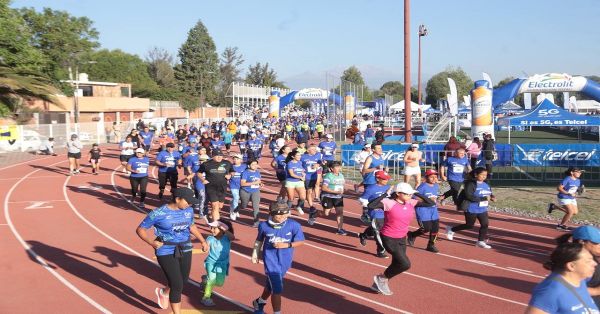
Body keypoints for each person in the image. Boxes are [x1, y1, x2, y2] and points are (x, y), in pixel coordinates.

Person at [136, 188, 209, 314]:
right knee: (177, 285)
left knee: (183, 280)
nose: (190, 204)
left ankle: (164, 292)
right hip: (165, 249)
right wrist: (151, 242)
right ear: (177, 199)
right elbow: (140, 229)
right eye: (188, 201)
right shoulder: (158, 213)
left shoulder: (189, 210)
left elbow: (191, 225)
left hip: (185, 246)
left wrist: (203, 240)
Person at [367, 182, 435, 296]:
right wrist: (385, 194)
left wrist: (418, 193)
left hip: (402, 237)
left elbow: (430, 203)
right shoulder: (389, 203)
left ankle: (377, 285)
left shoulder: (411, 202)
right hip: (389, 237)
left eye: (410, 194)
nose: (410, 196)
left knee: (397, 263)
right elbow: (371, 205)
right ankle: (382, 278)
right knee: (405, 264)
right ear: (398, 193)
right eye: (407, 194)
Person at [251, 201, 305, 314]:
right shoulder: (263, 226)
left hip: (285, 261)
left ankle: (259, 302)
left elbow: (301, 241)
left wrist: (287, 245)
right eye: (278, 214)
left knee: (270, 286)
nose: (281, 217)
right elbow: (259, 240)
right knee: (277, 289)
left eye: (284, 214)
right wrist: (255, 253)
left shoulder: (294, 225)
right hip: (271, 262)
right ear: (270, 213)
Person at [525, 242, 598, 314]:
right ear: (571, 266)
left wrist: (596, 291)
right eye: (588, 261)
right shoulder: (550, 291)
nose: (595, 263)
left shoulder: (579, 279)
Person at [446, 167, 495, 249]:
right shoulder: (470, 184)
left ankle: (480, 241)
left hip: (482, 209)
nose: (484, 176)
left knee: (485, 224)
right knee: (469, 225)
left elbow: (489, 193)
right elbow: (469, 196)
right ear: (476, 175)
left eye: (485, 175)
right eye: (482, 175)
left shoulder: (486, 183)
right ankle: (451, 229)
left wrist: (492, 197)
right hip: (472, 208)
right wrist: (483, 198)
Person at [556, 225, 600, 308]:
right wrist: (596, 291)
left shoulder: (592, 257)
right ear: (582, 242)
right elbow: (567, 289)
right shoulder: (576, 264)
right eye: (597, 243)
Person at [358, 170, 392, 258]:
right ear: (377, 179)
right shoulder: (371, 188)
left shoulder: (388, 187)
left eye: (387, 179)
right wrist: (365, 211)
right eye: (384, 179)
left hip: (386, 211)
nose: (386, 181)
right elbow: (362, 199)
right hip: (375, 211)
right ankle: (380, 251)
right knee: (378, 231)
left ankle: (363, 235)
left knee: (376, 228)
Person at [201, 220, 235, 307]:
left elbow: (233, 237)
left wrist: (225, 230)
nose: (211, 230)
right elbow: (206, 247)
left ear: (221, 229)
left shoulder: (227, 238)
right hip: (211, 262)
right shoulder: (210, 238)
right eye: (211, 228)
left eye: (214, 228)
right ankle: (206, 297)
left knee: (220, 283)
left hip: (223, 264)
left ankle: (205, 280)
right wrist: (205, 248)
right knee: (211, 279)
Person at [407, 169, 441, 253]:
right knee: (426, 229)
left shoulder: (436, 186)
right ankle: (412, 235)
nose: (434, 179)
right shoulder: (422, 186)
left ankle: (431, 245)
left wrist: (438, 199)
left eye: (435, 177)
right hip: (423, 210)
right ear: (426, 177)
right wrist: (427, 200)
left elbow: (435, 196)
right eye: (431, 177)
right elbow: (414, 198)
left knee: (435, 229)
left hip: (433, 210)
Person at [308, 161, 346, 235]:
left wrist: (341, 191)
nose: (339, 168)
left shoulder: (341, 175)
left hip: (338, 197)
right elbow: (324, 188)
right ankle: (315, 214)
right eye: (336, 167)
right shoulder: (328, 176)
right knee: (326, 213)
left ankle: (340, 229)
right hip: (328, 197)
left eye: (339, 167)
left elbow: (342, 185)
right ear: (331, 169)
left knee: (340, 212)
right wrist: (335, 192)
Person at [199, 150, 233, 222]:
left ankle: (212, 214)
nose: (219, 157)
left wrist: (230, 175)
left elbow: (232, 171)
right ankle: (216, 225)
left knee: (220, 206)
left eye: (221, 156)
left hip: (222, 187)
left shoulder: (227, 163)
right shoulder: (206, 164)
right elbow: (199, 173)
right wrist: (202, 180)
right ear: (212, 156)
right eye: (217, 156)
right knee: (215, 206)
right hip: (211, 187)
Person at [548, 167, 584, 231]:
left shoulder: (578, 180)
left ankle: (554, 206)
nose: (580, 173)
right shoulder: (567, 179)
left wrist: (579, 190)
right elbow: (559, 188)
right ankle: (561, 226)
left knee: (575, 212)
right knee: (570, 212)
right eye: (578, 172)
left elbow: (574, 189)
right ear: (572, 172)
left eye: (580, 172)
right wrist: (568, 193)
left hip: (571, 198)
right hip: (563, 197)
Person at [360, 144, 386, 223]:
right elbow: (364, 170)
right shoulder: (370, 158)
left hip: (378, 180)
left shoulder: (381, 157)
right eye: (378, 148)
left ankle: (376, 216)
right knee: (368, 200)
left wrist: (385, 170)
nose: (380, 149)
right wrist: (375, 168)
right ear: (373, 150)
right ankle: (365, 215)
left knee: (378, 198)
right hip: (370, 181)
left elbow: (381, 168)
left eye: (381, 148)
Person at [239, 159, 264, 227]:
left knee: (255, 207)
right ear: (249, 165)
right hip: (245, 191)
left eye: (256, 164)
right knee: (244, 206)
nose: (255, 166)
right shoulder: (245, 173)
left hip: (255, 191)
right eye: (253, 164)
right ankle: (236, 206)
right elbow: (242, 184)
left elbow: (258, 181)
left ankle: (256, 222)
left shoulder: (257, 172)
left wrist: (260, 184)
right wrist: (255, 183)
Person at [301, 144, 323, 215]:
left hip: (316, 176)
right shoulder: (302, 157)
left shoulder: (318, 155)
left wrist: (318, 165)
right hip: (307, 177)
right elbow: (298, 165)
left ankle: (316, 198)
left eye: (315, 149)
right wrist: (302, 172)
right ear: (308, 150)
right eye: (313, 149)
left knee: (316, 188)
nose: (315, 150)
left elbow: (320, 162)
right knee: (309, 191)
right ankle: (311, 206)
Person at [285, 149, 306, 216]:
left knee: (302, 197)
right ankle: (288, 210)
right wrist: (300, 177)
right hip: (290, 182)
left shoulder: (300, 162)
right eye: (298, 155)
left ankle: (298, 206)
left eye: (300, 155)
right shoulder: (290, 163)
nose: (299, 156)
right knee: (291, 198)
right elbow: (291, 174)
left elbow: (302, 170)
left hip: (299, 182)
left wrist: (303, 174)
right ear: (293, 156)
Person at [229, 154, 247, 221]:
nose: (235, 160)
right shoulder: (230, 166)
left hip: (242, 186)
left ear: (241, 160)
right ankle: (234, 212)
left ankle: (232, 207)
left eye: (237, 159)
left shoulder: (244, 167)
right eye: (234, 159)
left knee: (239, 199)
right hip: (233, 185)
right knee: (236, 197)